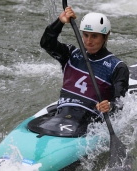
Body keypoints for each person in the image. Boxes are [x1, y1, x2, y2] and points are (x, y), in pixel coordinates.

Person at [37, 7, 129, 135]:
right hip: (62, 115)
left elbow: (119, 103)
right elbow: (46, 43)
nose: (88, 41)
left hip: (89, 122)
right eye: (85, 35)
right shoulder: (70, 54)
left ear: (105, 37)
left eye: (94, 36)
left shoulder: (117, 67)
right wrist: (60, 22)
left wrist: (109, 106)